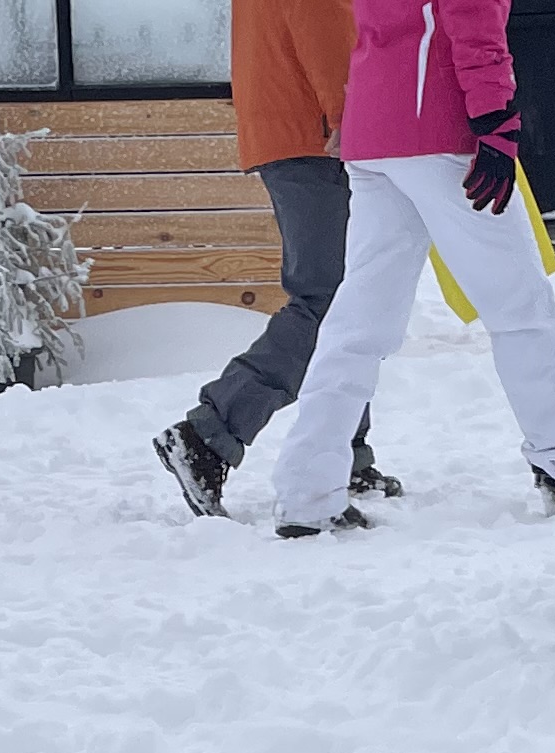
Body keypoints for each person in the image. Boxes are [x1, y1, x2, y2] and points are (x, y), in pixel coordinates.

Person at [259, 0, 555, 537]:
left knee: (358, 321)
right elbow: (473, 16)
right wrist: (496, 121)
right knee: (521, 309)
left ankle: (306, 491)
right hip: (441, 126)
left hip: (374, 127)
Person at [154, 0, 404, 514]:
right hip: (318, 135)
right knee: (328, 304)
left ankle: (342, 453)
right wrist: (352, 117)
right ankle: (209, 434)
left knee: (345, 301)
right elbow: (324, 22)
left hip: (295, 126)